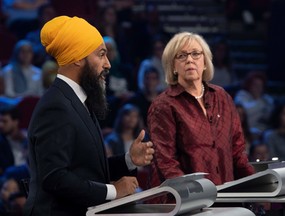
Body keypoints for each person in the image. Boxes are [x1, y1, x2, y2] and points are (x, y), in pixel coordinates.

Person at [23, 16, 154, 216]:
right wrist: (114, 191)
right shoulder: (56, 106)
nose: (108, 64)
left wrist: (129, 160)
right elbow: (54, 178)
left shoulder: (78, 100)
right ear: (77, 58)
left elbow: (87, 170)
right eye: (101, 55)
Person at [147, 32, 254, 200]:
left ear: (205, 62)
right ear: (173, 66)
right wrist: (196, 197)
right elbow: (166, 163)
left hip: (226, 197)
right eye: (181, 56)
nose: (190, 60)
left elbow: (238, 153)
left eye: (196, 54)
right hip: (186, 202)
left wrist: (255, 188)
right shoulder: (164, 105)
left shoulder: (222, 97)